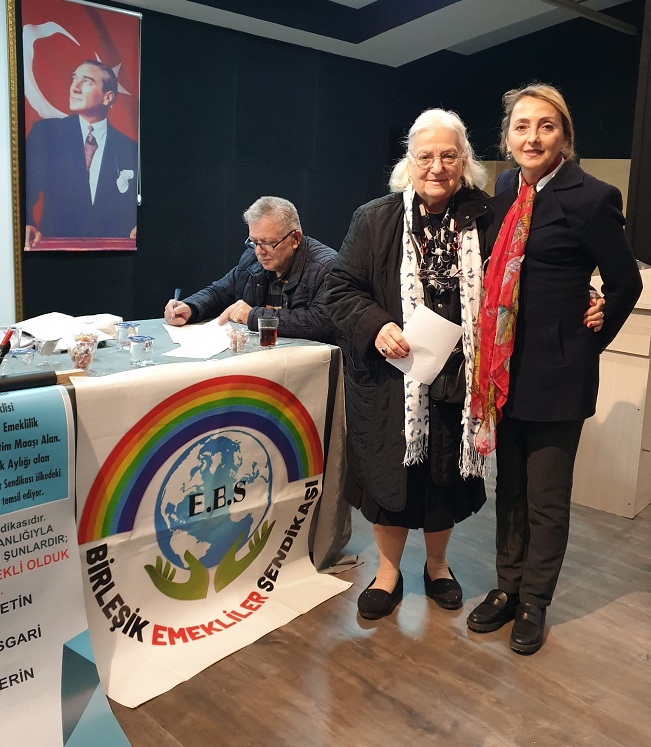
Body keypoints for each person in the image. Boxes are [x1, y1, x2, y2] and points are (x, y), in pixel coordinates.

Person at [326, 109, 606, 621]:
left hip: (460, 379)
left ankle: (438, 567)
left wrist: (584, 294)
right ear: (408, 162)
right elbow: (338, 288)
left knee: (443, 480)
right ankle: (387, 573)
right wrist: (375, 325)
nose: (436, 167)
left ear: (465, 161)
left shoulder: (487, 215)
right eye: (425, 156)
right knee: (391, 481)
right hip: (392, 380)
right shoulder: (374, 218)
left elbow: (529, 270)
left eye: (448, 156)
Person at [467, 84, 643, 654]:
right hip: (506, 371)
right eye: (521, 126)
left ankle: (534, 602)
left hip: (559, 376)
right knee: (509, 491)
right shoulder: (504, 191)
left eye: (546, 125)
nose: (532, 137)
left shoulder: (592, 197)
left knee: (545, 497)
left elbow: (625, 283)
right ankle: (506, 587)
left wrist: (591, 337)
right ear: (507, 138)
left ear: (564, 136)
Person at [165, 196, 338, 343]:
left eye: (268, 243)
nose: (258, 252)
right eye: (254, 242)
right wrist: (191, 307)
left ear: (295, 239)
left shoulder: (326, 266)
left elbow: (323, 323)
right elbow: (218, 293)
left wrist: (253, 316)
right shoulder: (252, 259)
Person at [25, 60, 138, 246]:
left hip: (113, 255)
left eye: (86, 81)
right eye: (74, 79)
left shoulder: (129, 148)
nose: (74, 88)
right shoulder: (46, 133)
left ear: (108, 97)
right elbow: (24, 188)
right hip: (56, 252)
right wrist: (26, 223)